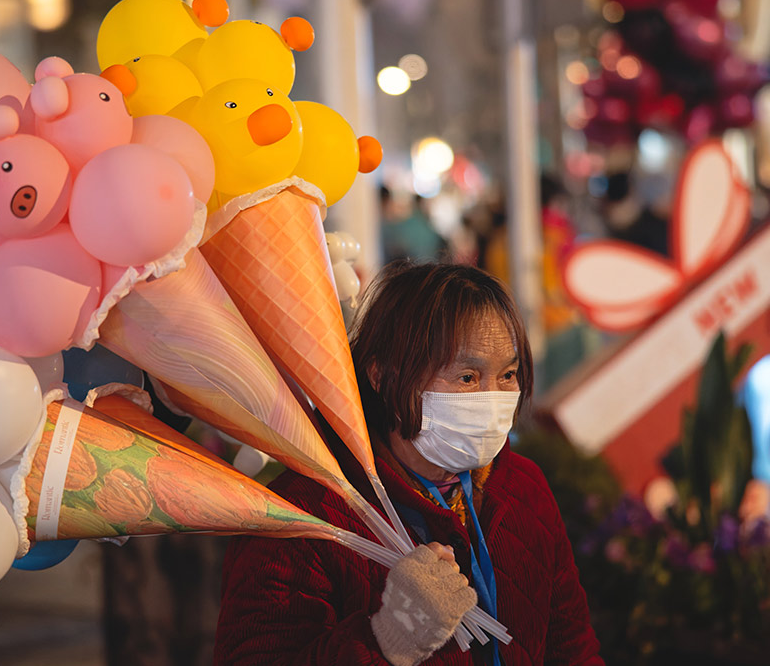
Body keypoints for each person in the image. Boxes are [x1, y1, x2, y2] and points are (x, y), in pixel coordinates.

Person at [214, 262, 602, 665]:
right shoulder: (303, 516)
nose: (492, 398)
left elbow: (572, 649)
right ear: (382, 374)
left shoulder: (523, 486)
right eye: (467, 377)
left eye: (507, 374)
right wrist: (385, 639)